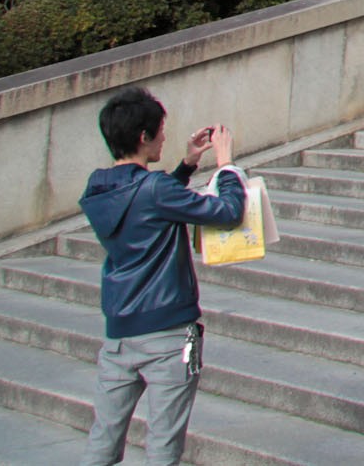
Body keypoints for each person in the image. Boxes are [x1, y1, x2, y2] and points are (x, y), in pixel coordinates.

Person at [79, 89, 246, 466]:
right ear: (143, 136)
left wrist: (186, 166)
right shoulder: (154, 190)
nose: (164, 138)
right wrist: (226, 163)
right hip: (170, 334)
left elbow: (146, 205)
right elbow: (229, 211)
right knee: (163, 447)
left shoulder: (99, 187)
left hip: (120, 334)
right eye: (160, 131)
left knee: (102, 442)